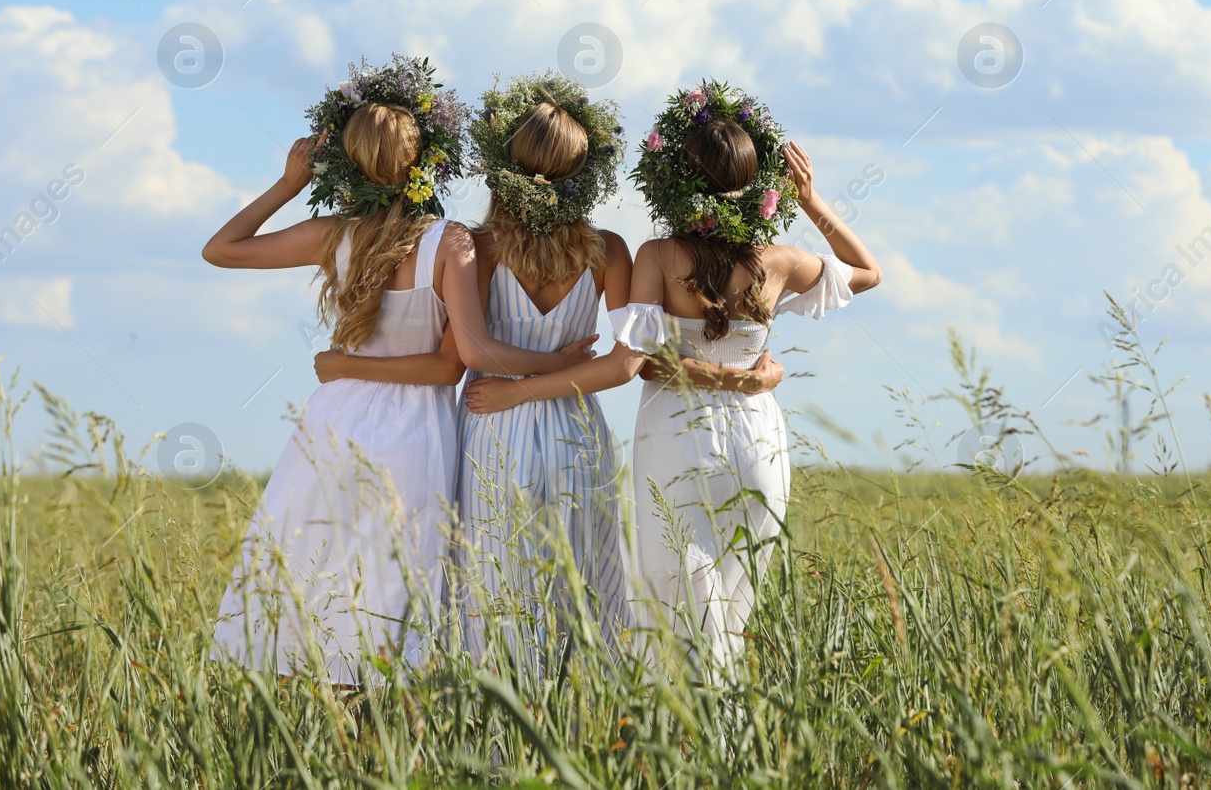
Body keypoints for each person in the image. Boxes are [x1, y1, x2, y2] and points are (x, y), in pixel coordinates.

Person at [461, 81, 880, 671]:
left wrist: (519, 388)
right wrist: (809, 201)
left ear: (673, 182)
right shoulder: (780, 261)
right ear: (759, 184)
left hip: (678, 436)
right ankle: (727, 741)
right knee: (735, 606)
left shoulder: (657, 256)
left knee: (676, 599)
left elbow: (641, 364)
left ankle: (689, 734)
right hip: (758, 437)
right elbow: (868, 271)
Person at [204, 56, 573, 685]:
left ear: (350, 163)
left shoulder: (332, 234)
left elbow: (222, 249)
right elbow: (452, 365)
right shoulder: (448, 241)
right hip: (413, 431)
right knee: (397, 579)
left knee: (313, 563)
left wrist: (288, 184)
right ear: (427, 159)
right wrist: (556, 363)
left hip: (336, 420)